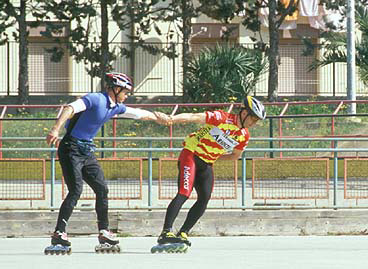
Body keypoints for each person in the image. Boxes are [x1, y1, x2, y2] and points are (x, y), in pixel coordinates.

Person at [45, 72, 163, 252]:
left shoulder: (116, 107)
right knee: (76, 190)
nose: (126, 95)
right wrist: (55, 129)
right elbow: (69, 108)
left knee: (102, 189)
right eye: (125, 92)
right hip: (70, 148)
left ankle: (104, 232)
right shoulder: (95, 99)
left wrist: (160, 117)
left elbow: (138, 114)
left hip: (86, 151)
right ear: (116, 88)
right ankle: (59, 233)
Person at [152, 96, 266, 247]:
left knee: (204, 198)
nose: (254, 123)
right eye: (253, 118)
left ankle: (183, 232)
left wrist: (212, 157)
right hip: (191, 154)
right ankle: (166, 232)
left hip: (207, 163)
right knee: (184, 193)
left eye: (257, 121)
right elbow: (194, 117)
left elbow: (235, 156)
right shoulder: (222, 118)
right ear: (244, 113)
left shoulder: (243, 135)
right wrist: (172, 119)